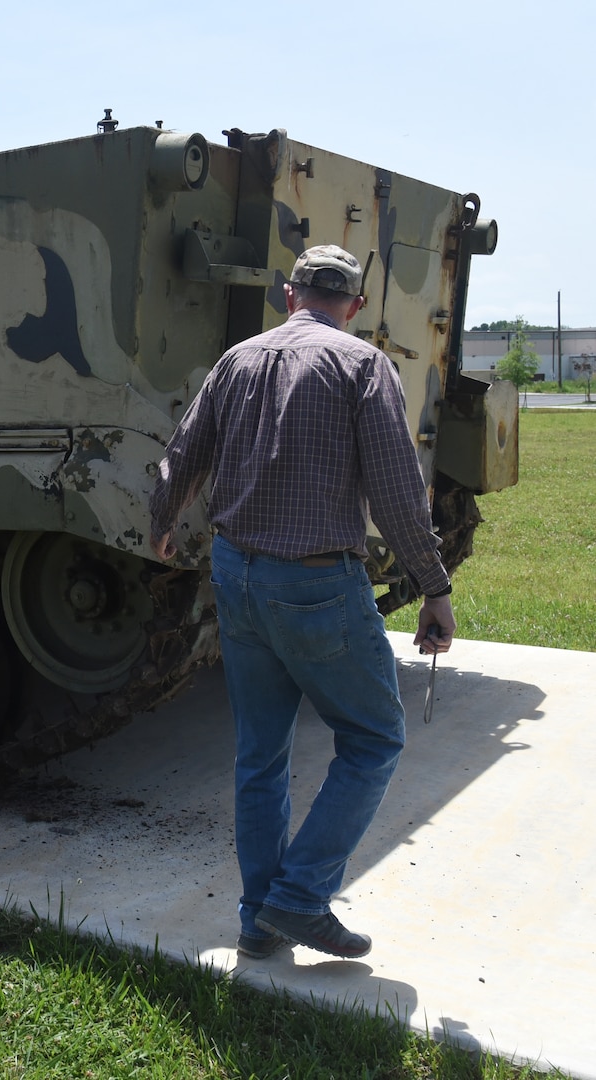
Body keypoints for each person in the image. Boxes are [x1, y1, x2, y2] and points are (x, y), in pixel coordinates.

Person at [149, 245, 456, 961]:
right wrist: (433, 588)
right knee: (375, 737)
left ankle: (259, 919)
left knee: (260, 754)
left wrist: (162, 518)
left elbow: (184, 451)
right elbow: (396, 489)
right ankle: (300, 897)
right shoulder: (361, 363)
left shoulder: (238, 359)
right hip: (315, 581)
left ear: (289, 296)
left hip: (237, 571)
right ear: (351, 305)